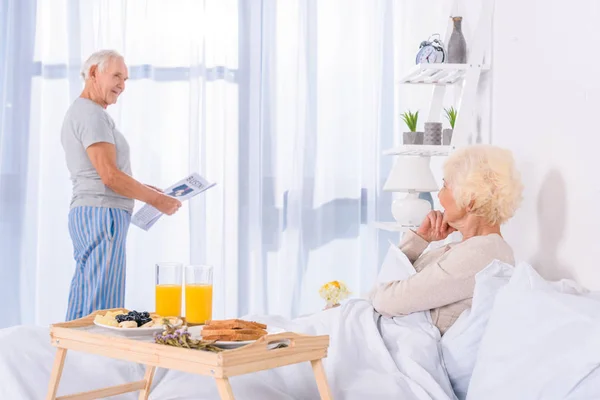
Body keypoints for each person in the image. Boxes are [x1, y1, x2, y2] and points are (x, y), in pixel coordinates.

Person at [61, 50, 182, 321]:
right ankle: (87, 358)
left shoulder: (85, 113)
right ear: (93, 73)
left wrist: (148, 190)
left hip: (95, 211)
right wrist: (156, 200)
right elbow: (110, 177)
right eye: (116, 76)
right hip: (102, 213)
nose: (122, 85)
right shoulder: (91, 114)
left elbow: (107, 173)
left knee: (93, 292)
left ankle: (81, 357)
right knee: (100, 303)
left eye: (125, 79)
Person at [370, 144, 523, 334]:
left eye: (445, 186)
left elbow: (384, 301)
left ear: (470, 200)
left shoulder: (479, 255)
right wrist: (420, 239)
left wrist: (419, 242)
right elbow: (380, 292)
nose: (439, 195)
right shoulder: (469, 248)